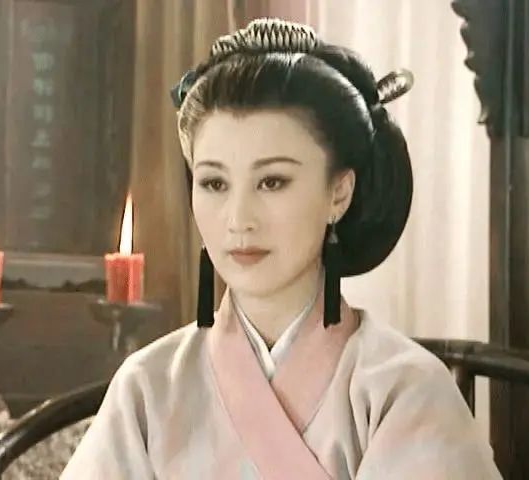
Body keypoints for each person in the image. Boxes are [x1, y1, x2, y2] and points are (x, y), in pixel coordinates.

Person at [61, 18, 501, 479]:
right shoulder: (147, 388)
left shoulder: (405, 390)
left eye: (272, 181)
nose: (238, 218)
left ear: (339, 193)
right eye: (214, 183)